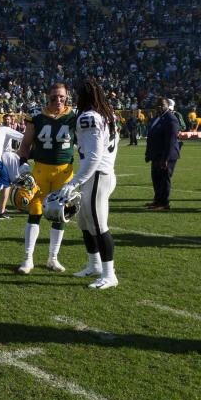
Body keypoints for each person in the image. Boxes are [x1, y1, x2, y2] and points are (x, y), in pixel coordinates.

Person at [60, 78, 120, 289]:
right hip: (98, 174)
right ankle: (94, 265)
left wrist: (74, 182)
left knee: (98, 225)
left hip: (97, 175)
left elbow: (94, 156)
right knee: (85, 223)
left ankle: (109, 274)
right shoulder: (106, 114)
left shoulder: (89, 117)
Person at [15, 82, 77, 274]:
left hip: (65, 173)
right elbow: (25, 143)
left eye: (62, 97)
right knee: (35, 212)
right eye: (54, 97)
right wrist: (23, 162)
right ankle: (28, 259)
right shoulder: (36, 115)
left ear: (67, 97)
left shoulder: (75, 116)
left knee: (60, 215)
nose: (58, 100)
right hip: (40, 171)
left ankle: (53, 258)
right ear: (47, 97)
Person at [144, 96, 181, 211]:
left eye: (161, 105)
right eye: (157, 105)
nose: (159, 107)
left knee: (164, 179)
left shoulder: (171, 119)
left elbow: (171, 141)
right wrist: (148, 153)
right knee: (156, 178)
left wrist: (166, 158)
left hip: (165, 155)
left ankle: (164, 203)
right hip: (156, 154)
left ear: (167, 106)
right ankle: (157, 200)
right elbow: (151, 136)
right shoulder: (158, 117)